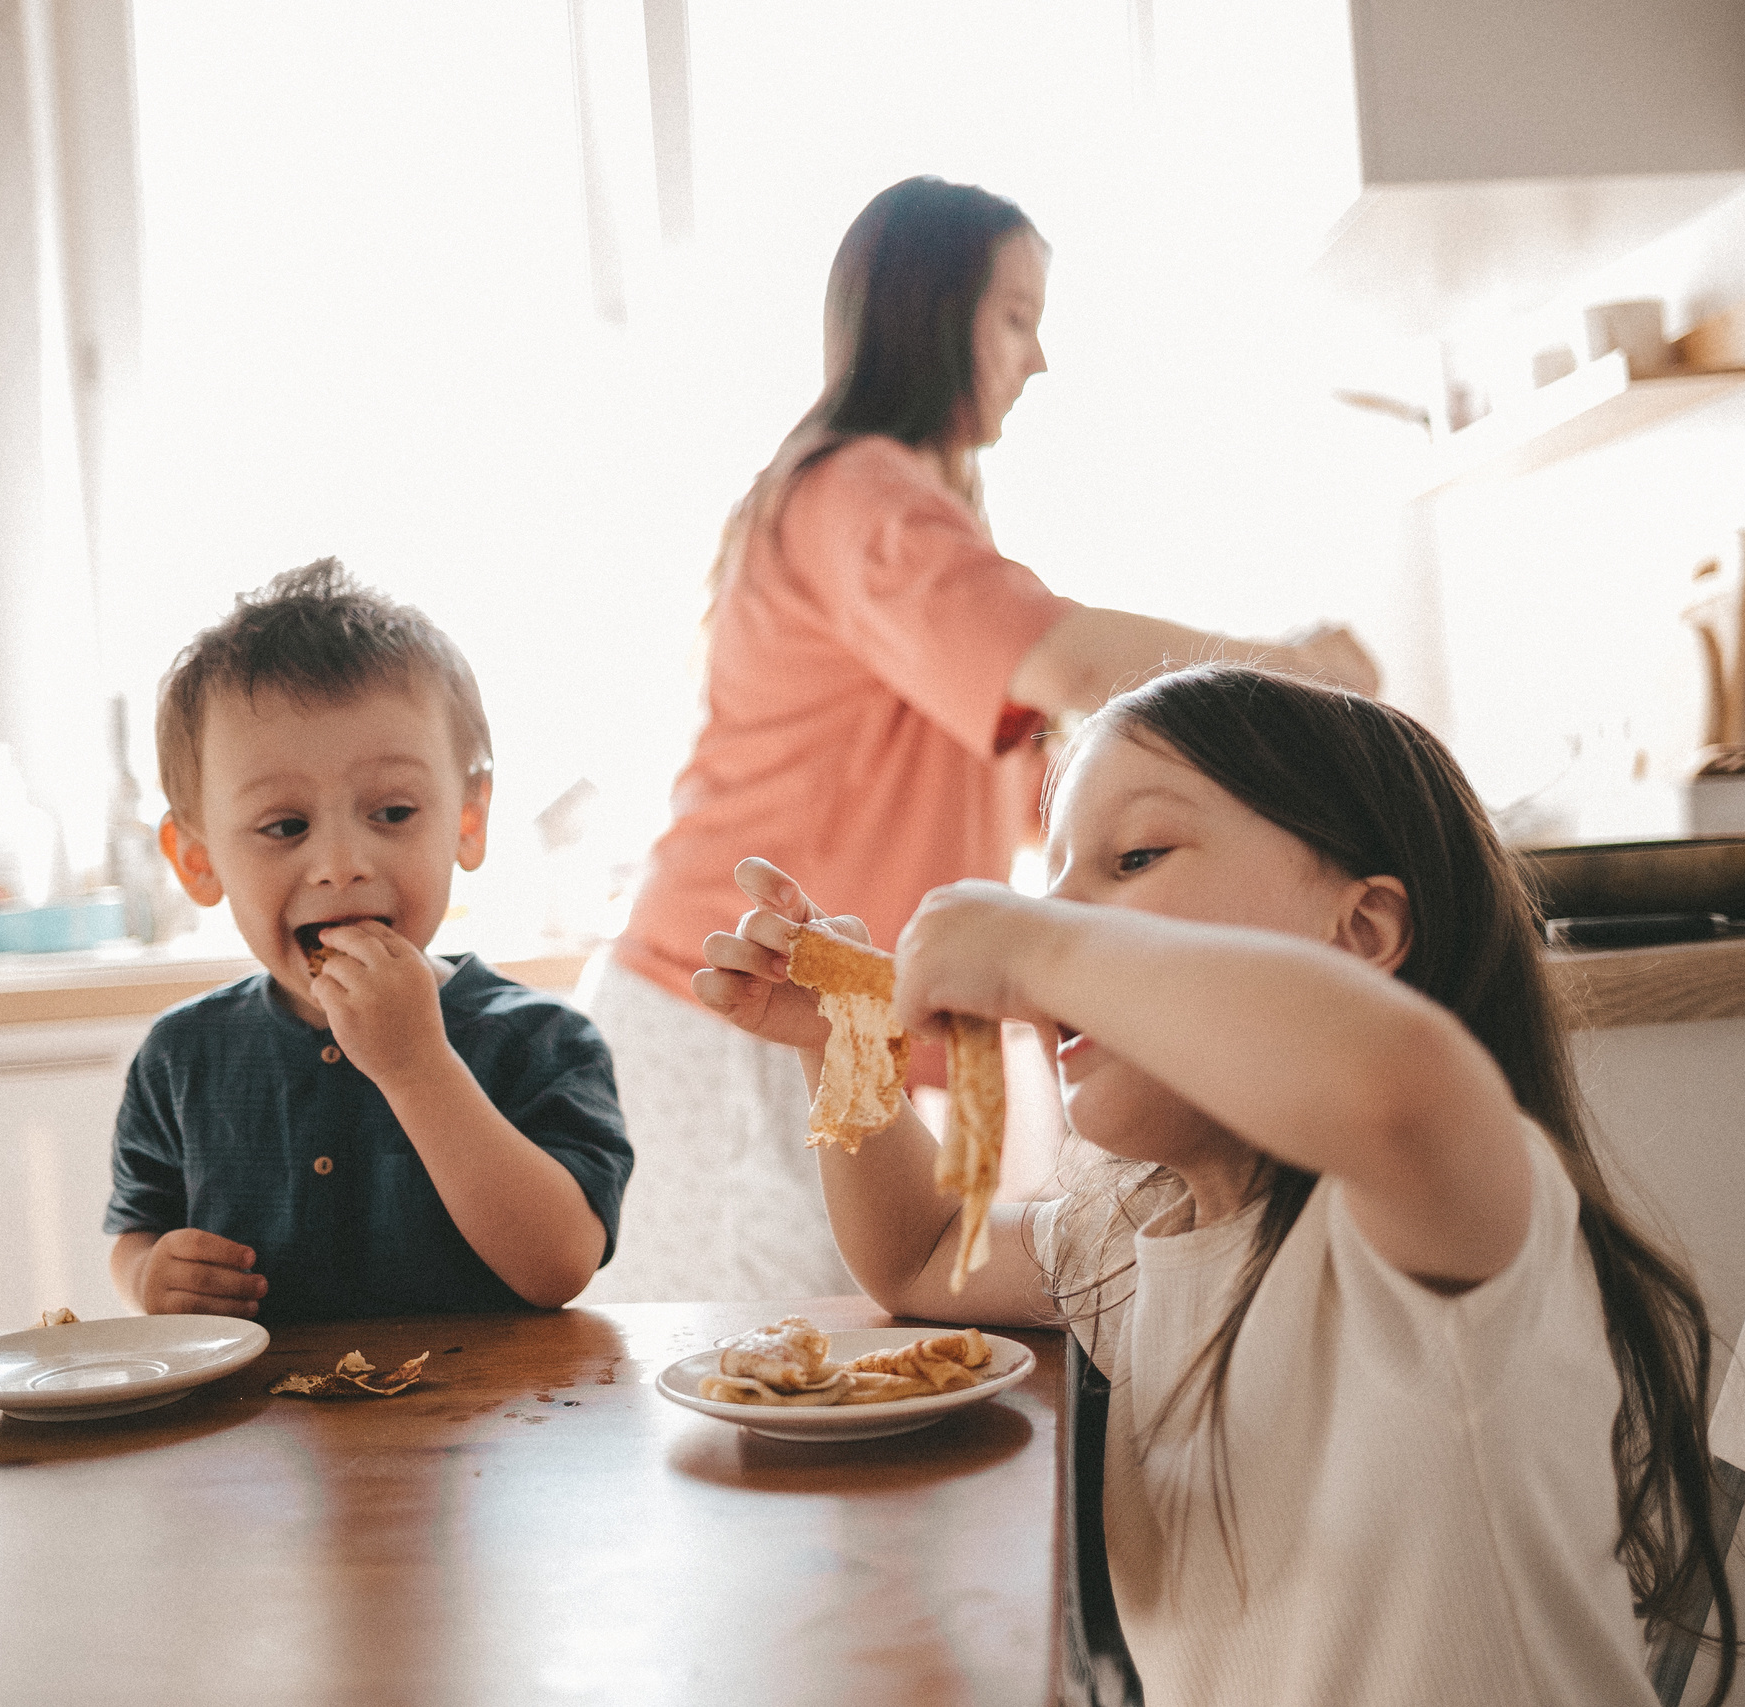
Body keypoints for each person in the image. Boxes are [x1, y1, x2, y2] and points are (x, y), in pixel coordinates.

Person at [697, 664, 1740, 1707]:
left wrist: (1035, 944)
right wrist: (846, 1047)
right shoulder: (1136, 1230)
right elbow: (921, 1255)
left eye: (1135, 857)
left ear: (1361, 934)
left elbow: (1397, 1085)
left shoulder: (1439, 1222)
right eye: (1053, 883)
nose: (1062, 913)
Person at [585, 174, 1379, 1304]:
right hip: (727, 1005)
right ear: (928, 316)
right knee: (772, 1382)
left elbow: (1051, 776)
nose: (1038, 358)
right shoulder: (861, 495)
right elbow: (1079, 664)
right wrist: (1306, 673)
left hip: (799, 1006)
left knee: (834, 1362)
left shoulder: (906, 519)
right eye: (1015, 317)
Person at [105, 559, 631, 1320]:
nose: (342, 865)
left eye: (391, 813)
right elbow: (136, 1229)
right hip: (263, 1432)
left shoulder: (541, 1041)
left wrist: (418, 1066)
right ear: (198, 859)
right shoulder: (181, 1057)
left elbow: (560, 1265)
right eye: (285, 826)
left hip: (490, 1430)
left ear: (468, 820)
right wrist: (148, 1276)